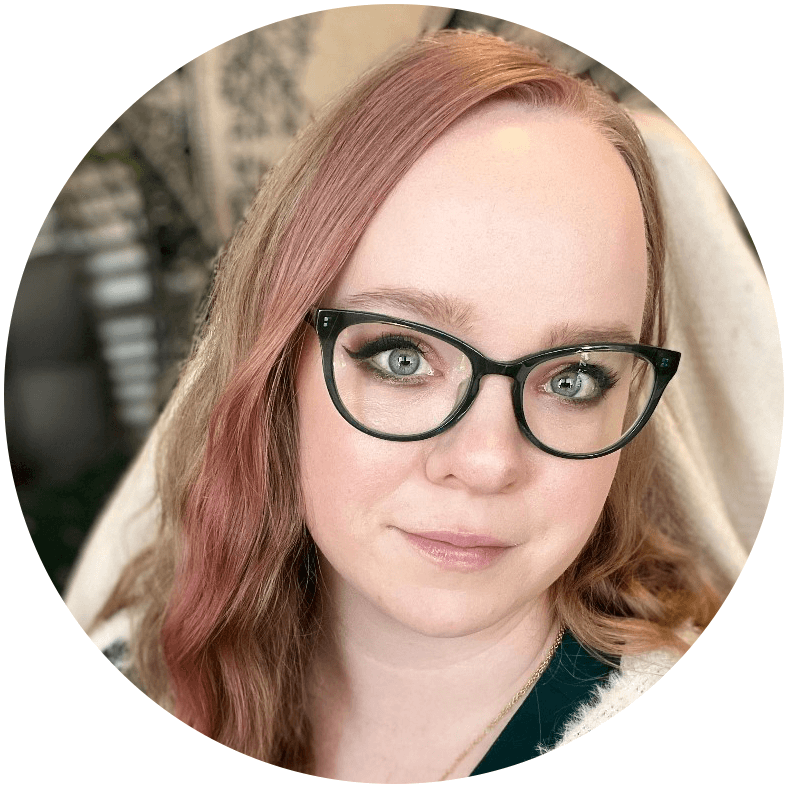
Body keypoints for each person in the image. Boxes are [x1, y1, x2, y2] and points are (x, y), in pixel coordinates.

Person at [84, 30, 722, 781]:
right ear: (277, 366)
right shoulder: (127, 679)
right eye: (403, 357)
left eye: (573, 379)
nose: (487, 462)